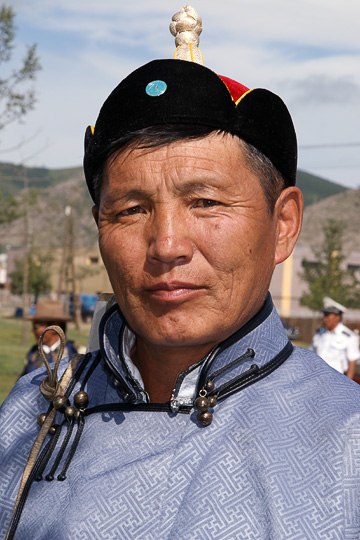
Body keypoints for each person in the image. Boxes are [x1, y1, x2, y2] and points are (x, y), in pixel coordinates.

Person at [1, 6, 360, 539]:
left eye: (207, 202)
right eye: (130, 210)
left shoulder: (348, 440)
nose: (166, 245)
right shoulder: (30, 413)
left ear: (283, 224)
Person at [21, 298, 79, 376]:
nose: (33, 331)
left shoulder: (75, 351)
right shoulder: (34, 352)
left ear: (54, 326)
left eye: (36, 326)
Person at [310, 296, 360, 379]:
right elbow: (311, 355)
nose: (324, 318)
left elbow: (352, 362)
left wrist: (346, 386)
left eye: (327, 315)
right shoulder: (319, 334)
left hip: (337, 380)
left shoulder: (349, 336)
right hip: (317, 378)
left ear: (337, 317)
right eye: (324, 315)